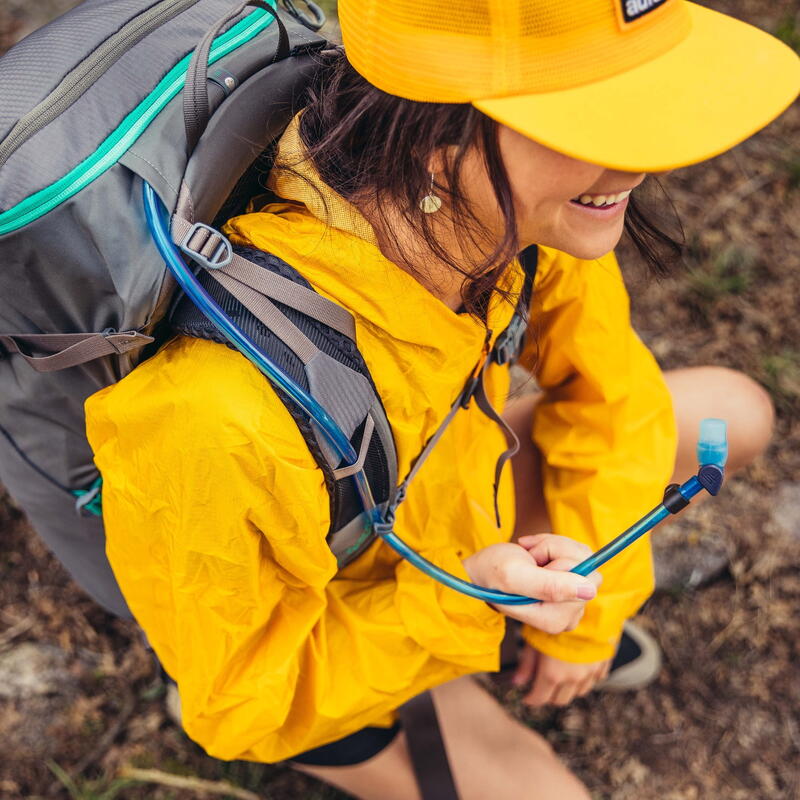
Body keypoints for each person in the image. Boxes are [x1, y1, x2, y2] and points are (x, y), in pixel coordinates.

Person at [84, 1, 798, 798]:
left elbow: (615, 397)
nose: (635, 165)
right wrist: (462, 602)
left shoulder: (514, 219)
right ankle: (404, 695)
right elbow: (246, 699)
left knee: (731, 411)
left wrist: (591, 612)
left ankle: (510, 624)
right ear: (433, 133)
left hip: (446, 513)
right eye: (592, 124)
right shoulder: (211, 413)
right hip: (330, 621)